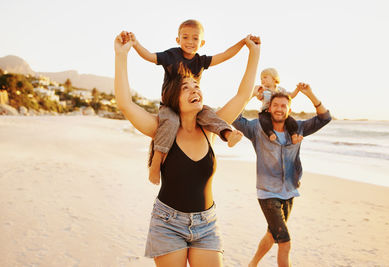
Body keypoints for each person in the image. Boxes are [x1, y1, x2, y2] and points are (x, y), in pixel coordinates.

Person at [115, 31, 260, 266]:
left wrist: (254, 52)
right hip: (167, 223)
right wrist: (121, 55)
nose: (195, 89)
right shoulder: (160, 128)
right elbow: (125, 103)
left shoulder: (212, 129)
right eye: (186, 87)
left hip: (207, 224)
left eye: (196, 85)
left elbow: (243, 95)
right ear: (174, 98)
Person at [127, 19, 248, 185]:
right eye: (185, 37)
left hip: (193, 105)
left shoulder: (200, 61)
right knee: (170, 122)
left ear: (202, 42)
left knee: (209, 115)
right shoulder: (171, 56)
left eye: (195, 38)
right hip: (170, 106)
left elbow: (224, 55)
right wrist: (135, 43)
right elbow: (149, 56)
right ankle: (156, 163)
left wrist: (243, 43)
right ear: (178, 40)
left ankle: (228, 134)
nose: (190, 42)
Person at [232, 84, 332, 267]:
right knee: (285, 242)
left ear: (289, 109)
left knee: (272, 234)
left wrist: (310, 93)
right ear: (269, 108)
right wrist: (251, 95)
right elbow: (234, 118)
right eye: (276, 105)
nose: (279, 109)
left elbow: (325, 118)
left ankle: (252, 264)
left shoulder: (298, 129)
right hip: (268, 193)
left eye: (283, 106)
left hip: (289, 191)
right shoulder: (257, 129)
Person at [254, 68, 301, 144]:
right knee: (264, 121)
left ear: (274, 78)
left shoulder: (281, 90)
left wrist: (298, 89)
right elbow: (259, 96)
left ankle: (294, 135)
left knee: (291, 121)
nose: (262, 80)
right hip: (266, 112)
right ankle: (270, 133)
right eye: (261, 79)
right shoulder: (264, 90)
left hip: (279, 112)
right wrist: (257, 92)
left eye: (265, 77)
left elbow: (291, 95)